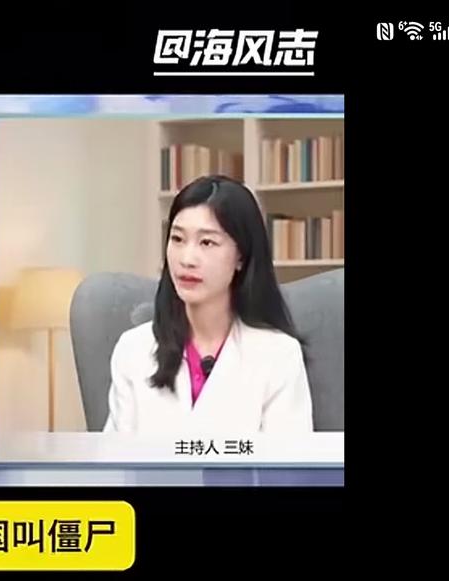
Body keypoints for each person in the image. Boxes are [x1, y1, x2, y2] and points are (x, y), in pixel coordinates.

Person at [103, 175, 313, 433]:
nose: (187, 259)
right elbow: (116, 456)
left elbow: (287, 458)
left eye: (207, 242)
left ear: (241, 256)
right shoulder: (133, 350)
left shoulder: (278, 355)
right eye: (177, 239)